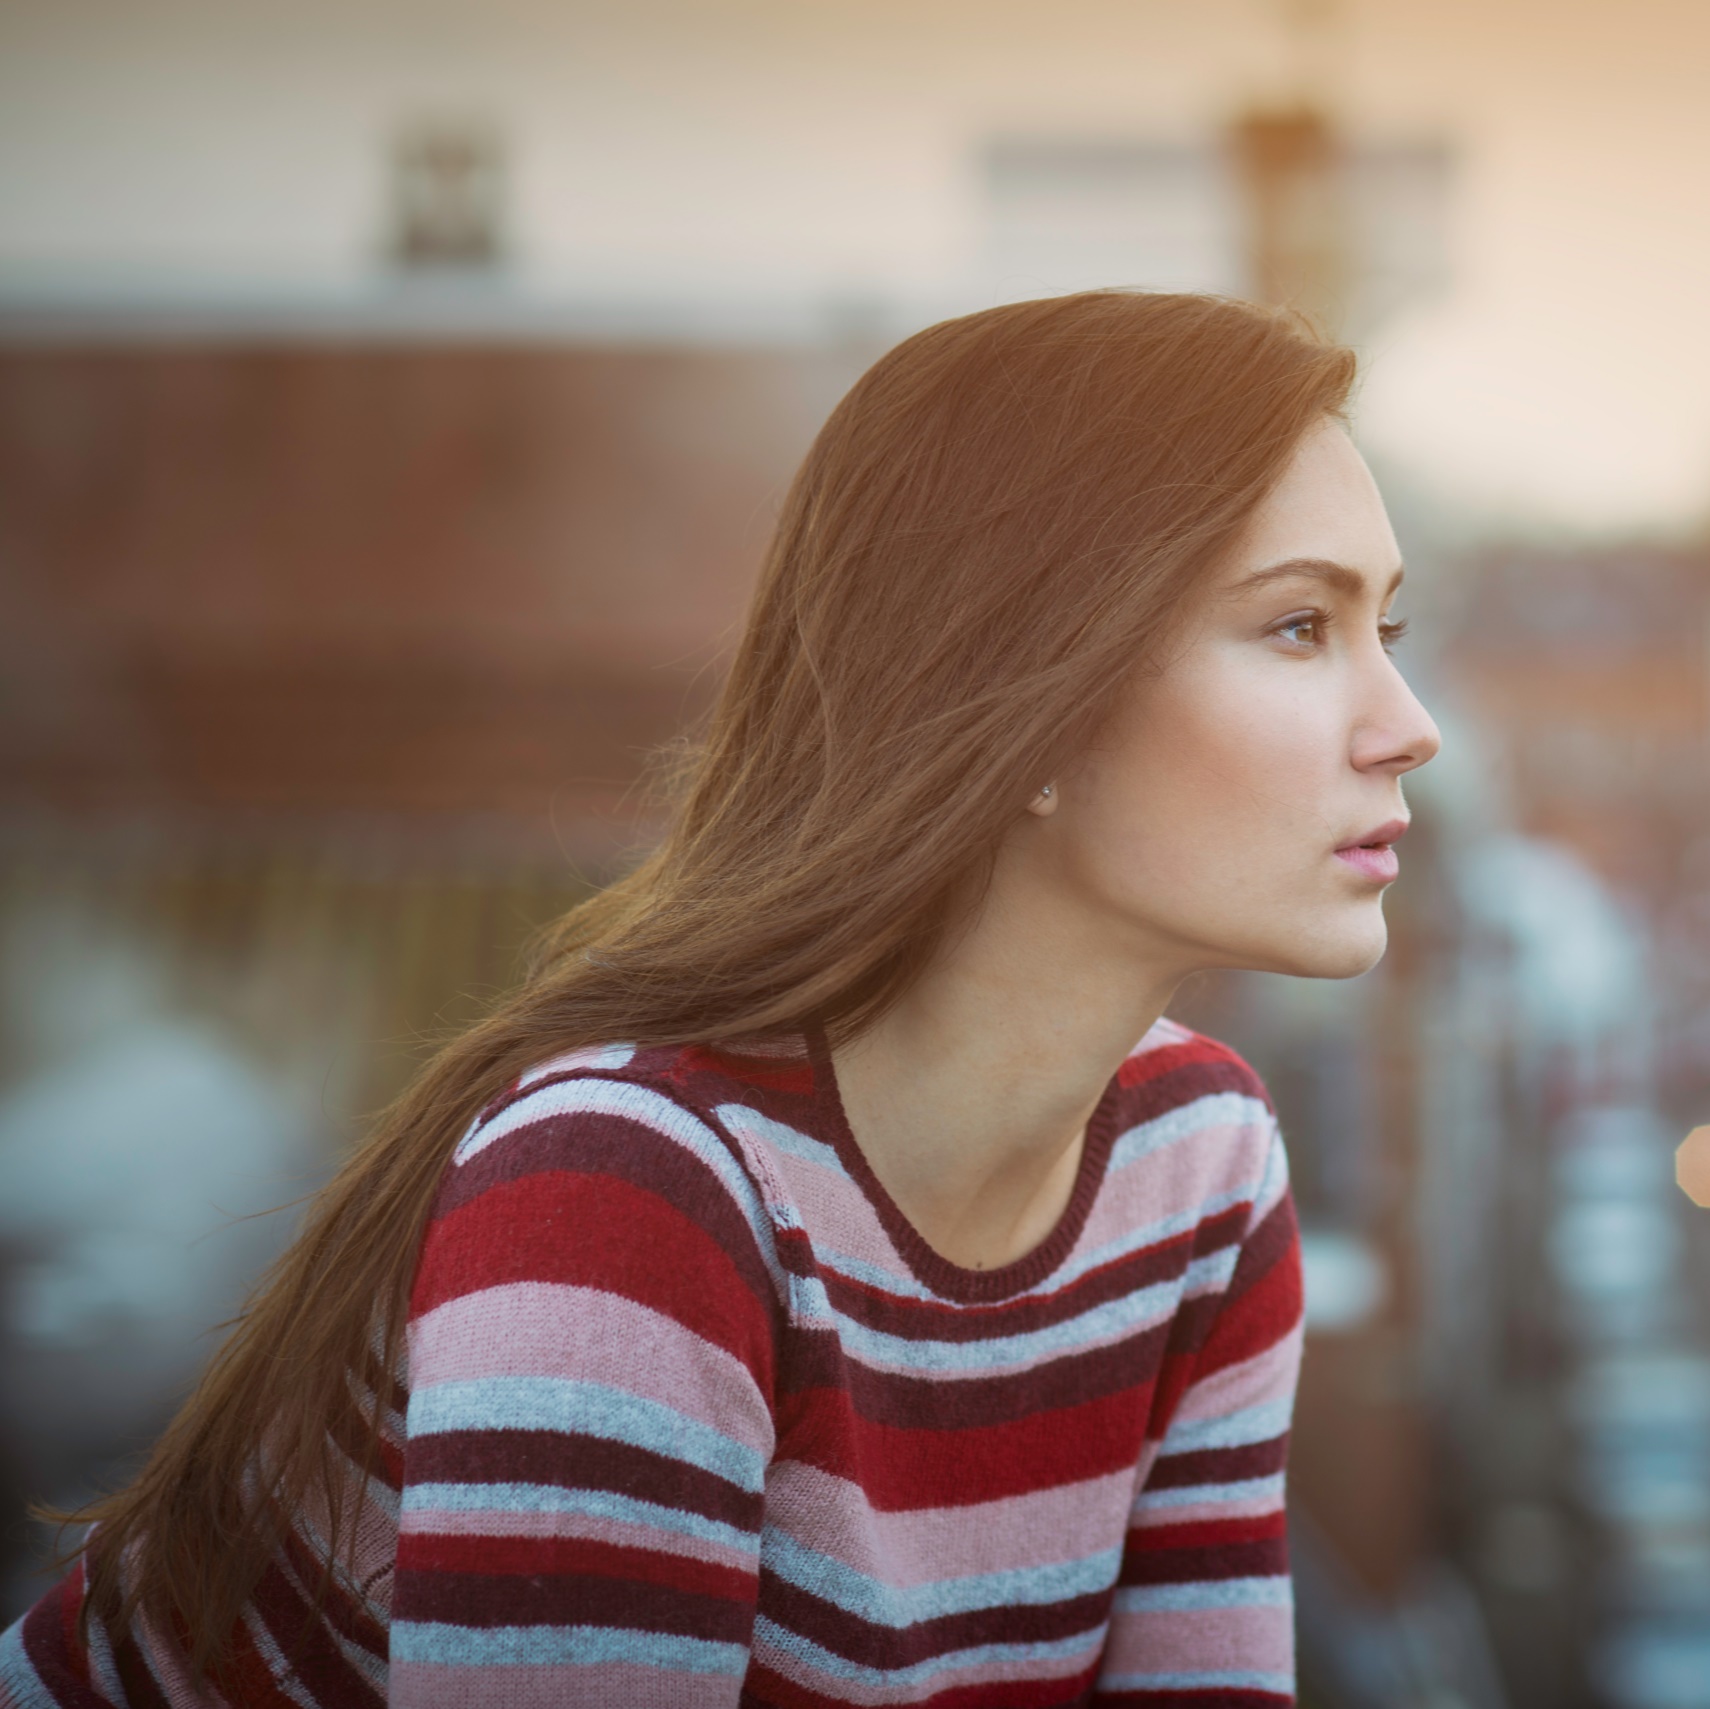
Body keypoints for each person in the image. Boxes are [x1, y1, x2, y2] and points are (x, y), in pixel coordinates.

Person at [0, 290, 1439, 1708]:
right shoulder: (632, 1194)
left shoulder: (1202, 1167)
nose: (1408, 725)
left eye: (1388, 625)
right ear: (1032, 701)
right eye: (1302, 626)